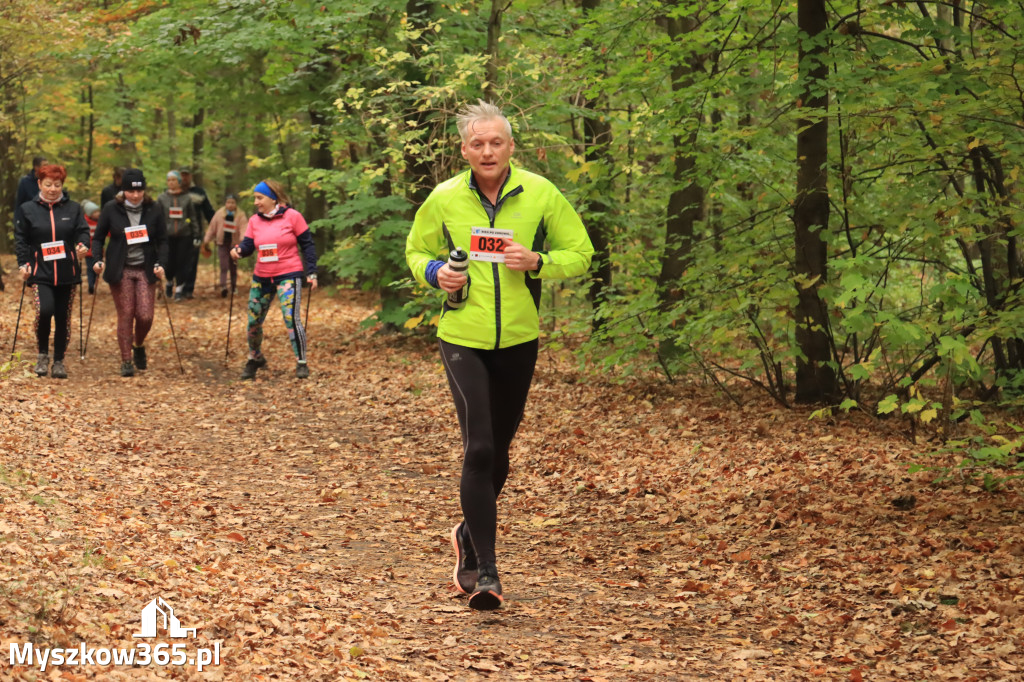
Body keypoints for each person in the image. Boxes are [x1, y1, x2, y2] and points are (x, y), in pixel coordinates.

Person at [405, 101, 594, 610]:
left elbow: (582, 253)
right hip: (461, 335)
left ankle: (468, 532)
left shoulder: (540, 193)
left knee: (501, 453)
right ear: (464, 149)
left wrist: (539, 261)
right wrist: (435, 274)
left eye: (496, 142)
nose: (487, 151)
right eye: (477, 143)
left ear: (511, 147)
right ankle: (485, 572)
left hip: (518, 338)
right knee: (480, 448)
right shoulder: (445, 197)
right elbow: (417, 251)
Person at [230, 179, 317, 380]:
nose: (256, 202)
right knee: (253, 322)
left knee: (291, 318)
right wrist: (238, 252)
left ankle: (301, 361)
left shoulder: (293, 217)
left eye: (259, 198)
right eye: (255, 198)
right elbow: (248, 246)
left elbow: (308, 245)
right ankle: (255, 358)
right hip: (262, 277)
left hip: (288, 274)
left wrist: (312, 273)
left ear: (272, 198)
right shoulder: (254, 221)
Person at [13, 164, 90, 379]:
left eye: (57, 185)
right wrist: (23, 264)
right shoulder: (28, 209)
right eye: (48, 185)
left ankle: (58, 361)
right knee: (44, 311)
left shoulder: (73, 208)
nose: (53, 189)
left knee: (63, 318)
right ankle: (42, 354)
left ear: (63, 186)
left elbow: (82, 231)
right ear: (39, 184)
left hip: (67, 272)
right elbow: (22, 240)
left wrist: (83, 245)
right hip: (40, 272)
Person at [91, 168, 169, 377]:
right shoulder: (111, 208)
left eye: (139, 191)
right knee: (126, 313)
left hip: (145, 268)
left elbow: (163, 240)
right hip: (121, 268)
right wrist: (97, 259)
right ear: (123, 190)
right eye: (130, 191)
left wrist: (162, 263)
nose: (135, 195)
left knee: (144, 315)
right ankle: (126, 360)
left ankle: (139, 344)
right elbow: (98, 238)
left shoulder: (154, 209)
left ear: (144, 190)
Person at [157, 170, 199, 301]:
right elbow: (157, 217)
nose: (171, 183)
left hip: (184, 235)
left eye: (174, 180)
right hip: (167, 236)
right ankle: (169, 281)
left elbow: (192, 217)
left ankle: (179, 289)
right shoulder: (161, 198)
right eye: (169, 180)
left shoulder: (187, 198)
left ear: (179, 182)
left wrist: (197, 234)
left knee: (182, 262)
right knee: (169, 263)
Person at [180, 168, 215, 299]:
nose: (184, 178)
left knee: (192, 261)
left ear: (191, 176)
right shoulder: (174, 192)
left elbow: (208, 212)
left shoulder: (199, 193)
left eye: (186, 175)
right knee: (179, 261)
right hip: (177, 233)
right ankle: (179, 287)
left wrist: (216, 227)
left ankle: (188, 289)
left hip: (195, 232)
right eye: (182, 175)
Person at [203, 194, 246, 297]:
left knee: (233, 266)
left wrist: (243, 241)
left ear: (236, 204)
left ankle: (233, 286)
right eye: (228, 202)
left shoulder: (240, 215)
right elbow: (212, 228)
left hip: (234, 244)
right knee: (224, 265)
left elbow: (244, 228)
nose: (230, 205)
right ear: (225, 203)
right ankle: (223, 286)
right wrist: (206, 240)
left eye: (232, 203)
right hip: (222, 243)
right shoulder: (219, 214)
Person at [13, 156, 47, 229]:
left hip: (45, 220)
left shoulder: (48, 181)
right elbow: (19, 204)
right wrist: (17, 222)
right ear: (36, 167)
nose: (47, 168)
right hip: (29, 220)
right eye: (44, 165)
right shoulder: (25, 182)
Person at [82, 200, 101, 294]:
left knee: (97, 268)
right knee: (90, 268)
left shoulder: (100, 222)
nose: (98, 213)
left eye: (98, 211)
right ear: (90, 214)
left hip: (98, 251)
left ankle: (94, 283)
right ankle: (91, 285)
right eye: (95, 212)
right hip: (89, 251)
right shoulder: (84, 222)